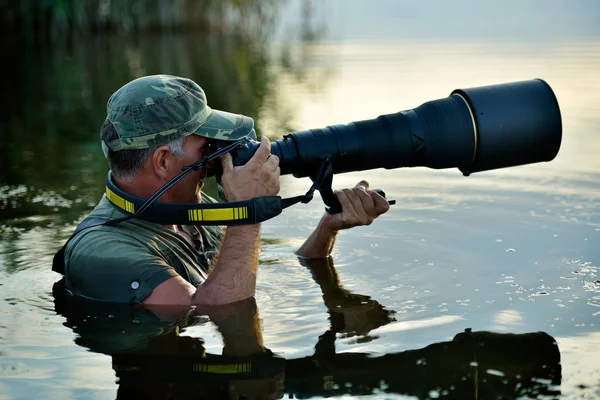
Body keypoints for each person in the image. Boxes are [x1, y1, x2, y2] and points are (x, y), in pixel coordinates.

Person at [62, 74, 389, 306]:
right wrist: (247, 211)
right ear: (163, 162)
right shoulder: (104, 251)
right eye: (207, 147)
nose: (215, 160)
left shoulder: (185, 208)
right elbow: (220, 310)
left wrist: (327, 227)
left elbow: (241, 271)